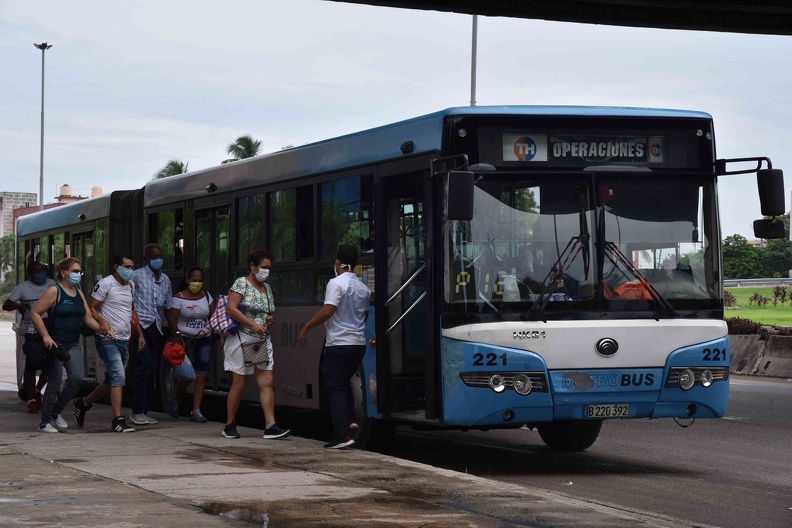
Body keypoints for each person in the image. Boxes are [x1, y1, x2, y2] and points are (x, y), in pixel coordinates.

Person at [298, 244, 371, 449]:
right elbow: (364, 315)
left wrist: (307, 327)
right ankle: (349, 420)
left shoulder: (336, 283)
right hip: (358, 344)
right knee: (343, 381)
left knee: (334, 384)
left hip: (339, 343)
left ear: (338, 263)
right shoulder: (363, 288)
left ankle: (342, 435)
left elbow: (328, 310)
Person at [29, 258, 111, 433]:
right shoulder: (54, 291)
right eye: (74, 271)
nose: (78, 274)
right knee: (55, 381)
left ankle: (56, 411)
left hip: (73, 343)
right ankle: (44, 422)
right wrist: (45, 336)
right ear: (64, 273)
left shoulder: (79, 292)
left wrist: (104, 330)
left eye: (79, 271)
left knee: (77, 378)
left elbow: (88, 318)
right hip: (56, 344)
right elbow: (35, 312)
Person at [222, 249, 290, 440]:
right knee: (240, 383)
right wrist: (253, 324)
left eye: (269, 268)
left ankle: (270, 425)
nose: (267, 271)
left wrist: (269, 319)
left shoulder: (266, 288)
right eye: (264, 267)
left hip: (260, 341)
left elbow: (267, 311)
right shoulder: (241, 284)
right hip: (243, 338)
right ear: (252, 267)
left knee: (267, 382)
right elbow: (231, 309)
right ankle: (230, 424)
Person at [73, 255, 144, 433]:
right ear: (116, 267)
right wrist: (103, 323)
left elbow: (131, 310)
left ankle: (83, 403)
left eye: (132, 267)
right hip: (108, 339)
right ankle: (117, 421)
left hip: (125, 339)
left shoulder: (131, 286)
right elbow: (92, 307)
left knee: (111, 381)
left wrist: (140, 334)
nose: (130, 270)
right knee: (119, 378)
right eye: (127, 266)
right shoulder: (106, 284)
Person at [3, 261, 55, 412]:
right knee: (31, 367)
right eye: (38, 272)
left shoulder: (52, 284)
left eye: (43, 271)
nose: (42, 275)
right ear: (30, 274)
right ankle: (32, 398)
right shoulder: (22, 288)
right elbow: (6, 305)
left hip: (51, 330)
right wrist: (18, 305)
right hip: (32, 333)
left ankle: (38, 389)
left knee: (51, 365)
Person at [129, 243, 173, 426]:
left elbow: (168, 308)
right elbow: (127, 301)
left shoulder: (165, 280)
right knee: (145, 367)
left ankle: (144, 410)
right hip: (140, 327)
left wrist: (175, 332)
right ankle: (137, 411)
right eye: (154, 256)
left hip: (156, 328)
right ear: (146, 258)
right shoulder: (136, 276)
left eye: (160, 255)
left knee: (151, 370)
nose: (158, 259)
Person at [165, 266, 215, 423]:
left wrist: (214, 330)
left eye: (200, 281)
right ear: (187, 280)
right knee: (188, 375)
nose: (197, 283)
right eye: (194, 280)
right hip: (186, 341)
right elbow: (172, 319)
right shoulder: (178, 298)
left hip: (204, 339)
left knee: (201, 376)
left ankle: (196, 411)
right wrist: (178, 336)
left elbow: (213, 316)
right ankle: (175, 399)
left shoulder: (207, 297)